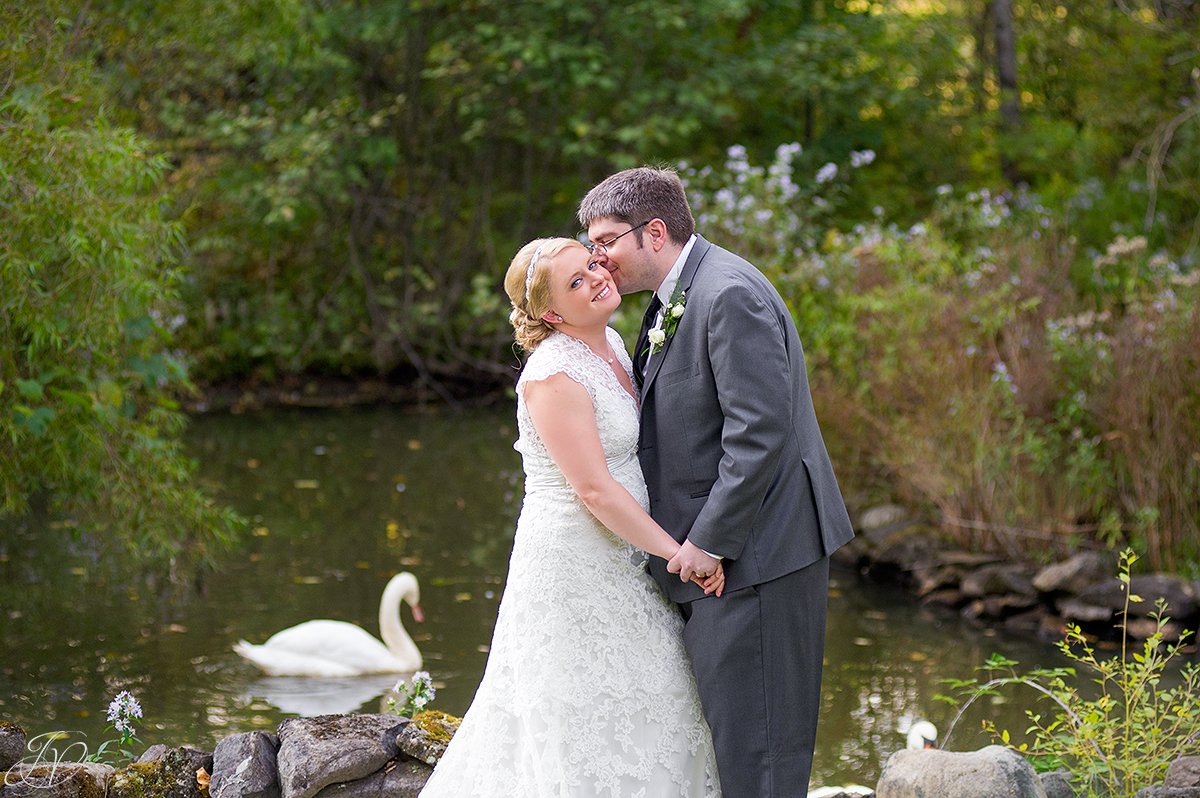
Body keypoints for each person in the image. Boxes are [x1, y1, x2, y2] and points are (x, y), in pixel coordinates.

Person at [578, 166, 856, 796]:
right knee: (735, 743)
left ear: (654, 232)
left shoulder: (727, 293)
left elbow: (758, 433)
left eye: (605, 241)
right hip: (728, 558)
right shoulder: (681, 292)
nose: (598, 259)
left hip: (757, 555)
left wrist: (708, 543)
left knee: (759, 753)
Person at [419, 237, 723, 797]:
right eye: (576, 282)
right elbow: (594, 490)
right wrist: (677, 552)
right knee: (580, 704)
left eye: (590, 266)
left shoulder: (606, 339)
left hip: (624, 555)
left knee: (653, 691)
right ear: (552, 313)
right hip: (574, 563)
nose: (597, 278)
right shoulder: (551, 376)